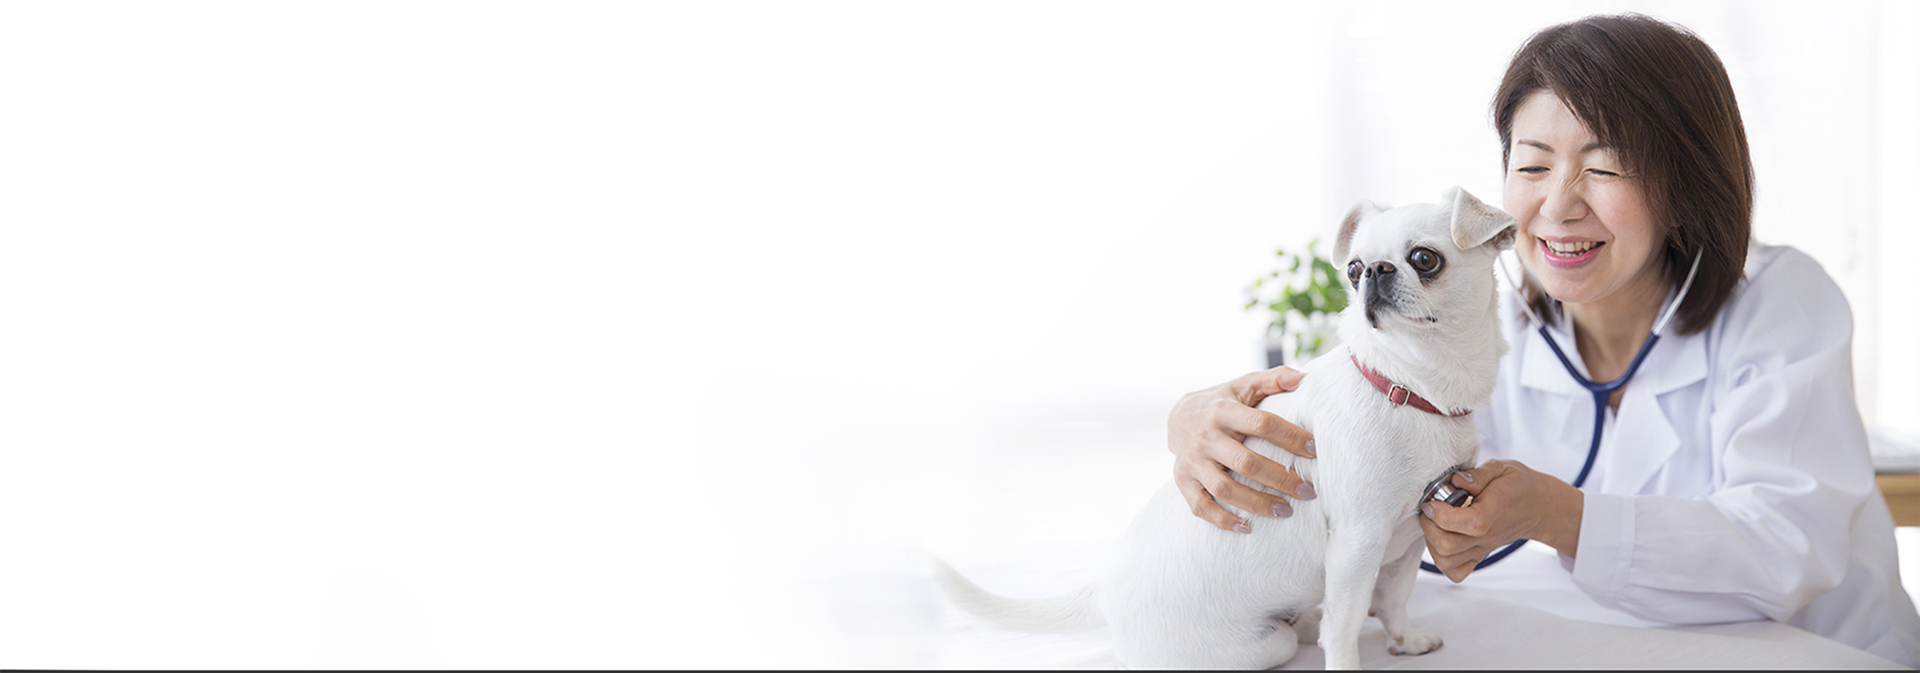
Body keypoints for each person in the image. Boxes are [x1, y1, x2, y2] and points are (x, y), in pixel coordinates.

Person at [1165, 13, 1920, 666]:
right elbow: (1380, 448)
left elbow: (1788, 548)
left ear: (1684, 183)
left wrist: (1556, 514)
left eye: (1605, 166)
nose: (1558, 207)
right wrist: (1200, 420)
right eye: (1531, 166)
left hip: (1815, 652)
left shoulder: (1781, 305)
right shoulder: (1486, 326)